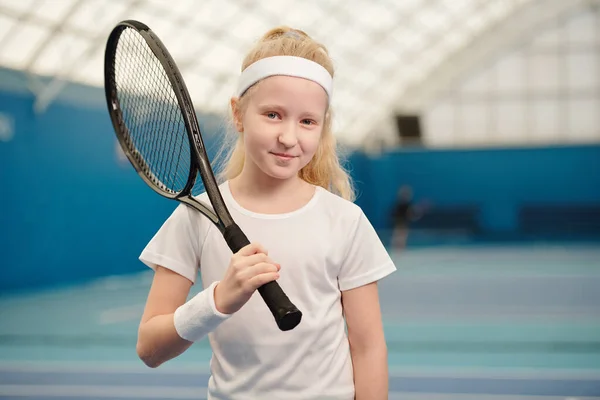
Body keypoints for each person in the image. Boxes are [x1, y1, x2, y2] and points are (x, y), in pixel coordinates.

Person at [135, 26, 397, 400]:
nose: (289, 137)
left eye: (307, 121)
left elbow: (368, 349)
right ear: (238, 114)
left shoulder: (345, 221)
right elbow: (149, 348)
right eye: (273, 114)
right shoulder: (196, 216)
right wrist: (218, 299)